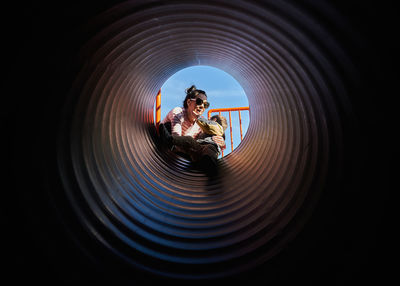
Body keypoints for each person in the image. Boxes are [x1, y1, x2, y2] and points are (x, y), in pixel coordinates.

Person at [159, 85, 226, 174]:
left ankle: (209, 167)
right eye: (199, 102)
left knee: (208, 147)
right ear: (189, 102)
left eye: (205, 104)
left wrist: (220, 143)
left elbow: (204, 141)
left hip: (185, 152)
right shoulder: (178, 112)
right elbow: (176, 137)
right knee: (167, 128)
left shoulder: (201, 123)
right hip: (168, 147)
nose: (202, 106)